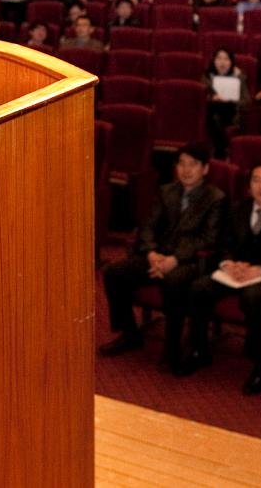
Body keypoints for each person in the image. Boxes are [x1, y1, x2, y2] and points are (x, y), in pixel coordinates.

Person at [99, 144, 227, 373]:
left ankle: (172, 346)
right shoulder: (167, 191)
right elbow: (148, 227)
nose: (186, 170)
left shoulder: (215, 198)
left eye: (193, 165)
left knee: (174, 281)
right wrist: (151, 253)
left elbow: (208, 239)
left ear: (205, 169)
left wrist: (174, 260)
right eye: (181, 164)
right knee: (113, 272)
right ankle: (129, 333)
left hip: (190, 262)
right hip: (157, 255)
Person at [181, 164, 261, 393]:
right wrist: (230, 263)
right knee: (199, 288)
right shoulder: (238, 208)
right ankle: (199, 349)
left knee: (253, 297)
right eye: (256, 180)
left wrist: (258, 269)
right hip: (235, 272)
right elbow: (223, 244)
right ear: (249, 186)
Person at [203, 48, 249, 159]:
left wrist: (231, 100)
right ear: (213, 61)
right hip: (212, 111)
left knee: (219, 113)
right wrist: (212, 98)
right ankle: (222, 150)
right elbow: (200, 99)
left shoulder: (238, 77)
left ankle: (219, 151)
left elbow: (247, 102)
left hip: (231, 112)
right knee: (215, 115)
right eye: (219, 58)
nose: (222, 62)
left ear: (231, 62)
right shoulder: (206, 77)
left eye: (226, 59)